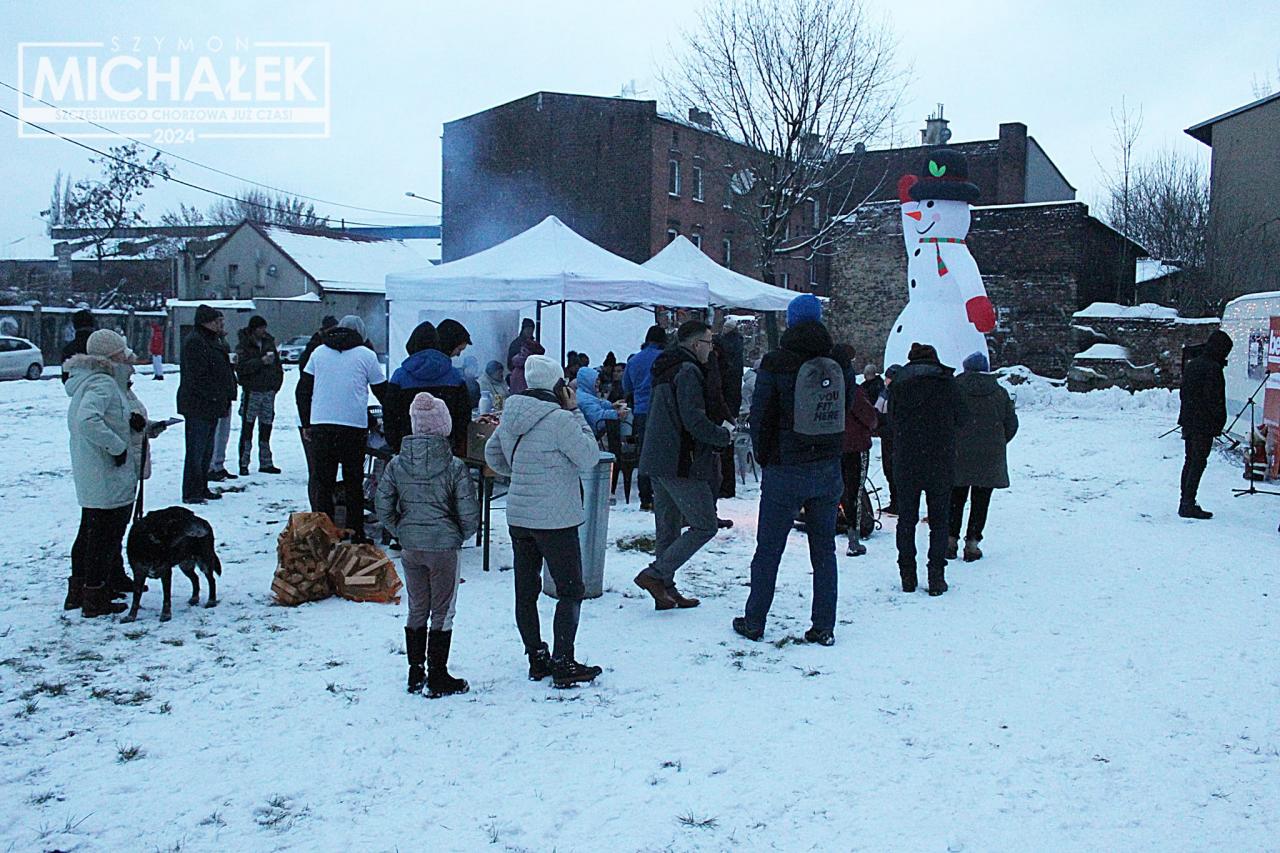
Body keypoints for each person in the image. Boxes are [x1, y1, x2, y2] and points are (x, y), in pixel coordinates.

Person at [484, 354, 603, 688]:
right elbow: (589, 457)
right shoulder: (561, 420)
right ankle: (564, 661)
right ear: (558, 385)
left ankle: (536, 657)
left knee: (526, 590)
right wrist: (576, 411)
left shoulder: (511, 416)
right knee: (570, 589)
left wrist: (521, 473)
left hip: (520, 516)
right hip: (556, 518)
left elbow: (493, 455)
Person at [734, 294, 845, 645]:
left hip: (786, 466)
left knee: (769, 549)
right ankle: (823, 626)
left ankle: (754, 621)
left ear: (790, 322)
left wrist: (767, 457)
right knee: (824, 550)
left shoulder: (776, 362)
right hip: (828, 467)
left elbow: (761, 415)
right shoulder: (838, 362)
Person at [376, 392, 479, 698]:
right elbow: (469, 512)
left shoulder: (396, 464)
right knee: (443, 611)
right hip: (444, 547)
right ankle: (437, 676)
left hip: (411, 547)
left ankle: (414, 672)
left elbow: (383, 504)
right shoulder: (454, 466)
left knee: (417, 607)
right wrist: (458, 534)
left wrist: (401, 531)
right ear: (444, 426)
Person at [634, 321, 730, 610]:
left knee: (668, 527)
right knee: (704, 525)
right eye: (710, 343)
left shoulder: (666, 368)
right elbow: (693, 419)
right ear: (696, 344)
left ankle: (665, 588)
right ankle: (655, 575)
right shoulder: (688, 371)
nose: (711, 350)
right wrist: (722, 435)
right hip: (679, 459)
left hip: (656, 457)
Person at [65, 330, 160, 617]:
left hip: (95, 473)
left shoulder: (93, 382)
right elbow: (88, 420)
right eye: (122, 353)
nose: (127, 357)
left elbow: (107, 418)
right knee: (103, 536)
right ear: (110, 356)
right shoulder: (103, 384)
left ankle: (84, 590)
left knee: (92, 533)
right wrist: (118, 447)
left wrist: (138, 425)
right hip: (106, 472)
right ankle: (95, 595)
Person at [297, 315, 388, 544]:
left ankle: (325, 534)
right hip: (353, 428)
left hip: (322, 426)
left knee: (323, 483)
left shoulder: (318, 353)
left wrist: (307, 422)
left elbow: (303, 390)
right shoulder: (366, 356)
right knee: (353, 483)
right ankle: (355, 532)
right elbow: (382, 391)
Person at [889, 343, 964, 596]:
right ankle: (936, 577)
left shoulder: (899, 384)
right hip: (939, 459)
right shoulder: (946, 382)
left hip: (907, 459)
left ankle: (907, 576)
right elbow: (962, 417)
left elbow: (892, 419)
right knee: (940, 521)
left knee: (906, 520)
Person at [950, 352, 1018, 561]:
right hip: (989, 456)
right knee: (981, 501)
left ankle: (949, 540)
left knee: (955, 499)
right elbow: (1011, 424)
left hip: (958, 454)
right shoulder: (999, 393)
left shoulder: (954, 390)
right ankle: (972, 543)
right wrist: (996, 442)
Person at [384, 319, 473, 457]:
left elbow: (390, 414)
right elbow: (463, 415)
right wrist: (455, 442)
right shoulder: (455, 376)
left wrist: (395, 444)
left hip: (407, 449)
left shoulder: (400, 376)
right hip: (444, 449)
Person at [178, 305, 237, 505]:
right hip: (199, 404)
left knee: (206, 451)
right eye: (216, 321)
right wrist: (215, 395)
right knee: (196, 450)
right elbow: (199, 376)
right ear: (206, 322)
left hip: (210, 404)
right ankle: (192, 490)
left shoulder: (210, 340)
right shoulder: (196, 342)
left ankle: (201, 486)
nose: (220, 324)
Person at [1178, 330, 1233, 519]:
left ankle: (1185, 501)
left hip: (1189, 420)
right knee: (1198, 462)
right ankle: (1188, 503)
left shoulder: (1193, 364)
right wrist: (1218, 422)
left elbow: (1184, 393)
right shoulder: (1212, 368)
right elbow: (1214, 399)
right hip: (1203, 423)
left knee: (1190, 460)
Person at [831, 345, 878, 557]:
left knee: (834, 490)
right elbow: (869, 417)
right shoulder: (853, 389)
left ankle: (829, 527)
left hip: (832, 445)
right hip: (855, 446)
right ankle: (853, 536)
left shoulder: (827, 386)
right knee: (854, 492)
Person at [623, 325, 667, 510]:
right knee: (663, 452)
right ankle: (662, 494)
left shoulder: (634, 360)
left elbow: (627, 387)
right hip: (662, 410)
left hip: (640, 411)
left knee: (643, 453)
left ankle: (645, 497)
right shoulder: (664, 358)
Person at [296, 315, 338, 509]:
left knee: (319, 471)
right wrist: (306, 422)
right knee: (317, 470)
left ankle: (321, 511)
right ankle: (318, 512)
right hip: (314, 416)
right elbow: (303, 390)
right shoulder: (316, 352)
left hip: (318, 415)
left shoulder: (319, 350)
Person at [234, 315, 284, 476]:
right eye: (260, 328)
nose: (263, 331)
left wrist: (275, 386)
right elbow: (241, 369)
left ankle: (266, 462)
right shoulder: (244, 345)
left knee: (266, 427)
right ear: (253, 329)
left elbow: (277, 367)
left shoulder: (269, 343)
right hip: (252, 392)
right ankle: (244, 463)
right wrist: (260, 362)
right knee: (247, 428)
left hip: (268, 392)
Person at [714, 316, 746, 499]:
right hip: (732, 402)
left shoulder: (725, 350)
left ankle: (724, 485)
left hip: (725, 402)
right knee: (728, 445)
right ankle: (728, 485)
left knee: (722, 444)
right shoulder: (738, 346)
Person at [206, 316, 239, 484]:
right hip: (216, 395)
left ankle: (218, 463)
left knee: (223, 433)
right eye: (218, 322)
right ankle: (211, 466)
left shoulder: (221, 341)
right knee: (216, 432)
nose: (221, 326)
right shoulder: (209, 343)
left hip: (224, 393)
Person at [875, 364, 901, 515]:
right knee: (888, 470)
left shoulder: (897, 394)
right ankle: (894, 501)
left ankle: (898, 503)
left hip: (894, 438)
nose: (886, 380)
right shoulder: (885, 392)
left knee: (893, 471)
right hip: (886, 436)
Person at [575, 365, 628, 437]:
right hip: (590, 436)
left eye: (598, 380)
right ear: (587, 382)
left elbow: (597, 402)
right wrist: (616, 414)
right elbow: (597, 418)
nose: (598, 383)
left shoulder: (583, 394)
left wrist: (611, 405)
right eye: (595, 380)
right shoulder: (585, 400)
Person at [60, 308, 95, 383]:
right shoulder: (102, 346)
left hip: (77, 392)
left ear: (74, 326)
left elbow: (65, 379)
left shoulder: (68, 349)